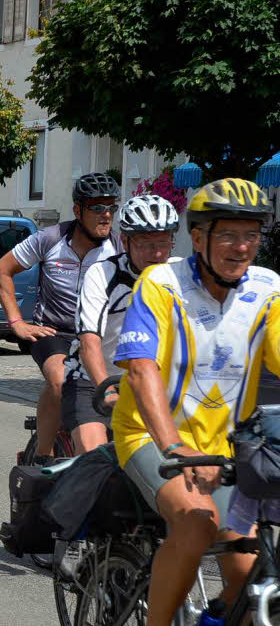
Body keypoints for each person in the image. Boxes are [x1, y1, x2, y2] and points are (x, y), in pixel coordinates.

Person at [111, 179, 279, 625]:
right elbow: (143, 368)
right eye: (228, 235)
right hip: (151, 436)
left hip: (230, 447)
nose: (241, 247)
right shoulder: (162, 283)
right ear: (199, 238)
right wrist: (174, 447)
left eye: (252, 236)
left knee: (252, 574)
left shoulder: (268, 290)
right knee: (197, 519)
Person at [0, 172, 122, 459]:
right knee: (60, 380)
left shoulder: (119, 247)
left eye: (111, 207)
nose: (106, 215)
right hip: (54, 332)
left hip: (97, 335)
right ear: (78, 211)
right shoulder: (50, 239)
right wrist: (17, 323)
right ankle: (43, 455)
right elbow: (2, 269)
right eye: (97, 207)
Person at [61, 195, 179, 454]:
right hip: (93, 379)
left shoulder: (181, 277)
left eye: (163, 243)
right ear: (125, 241)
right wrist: (105, 388)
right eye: (146, 244)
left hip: (152, 383)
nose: (157, 253)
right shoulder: (102, 274)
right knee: (97, 459)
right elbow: (89, 341)